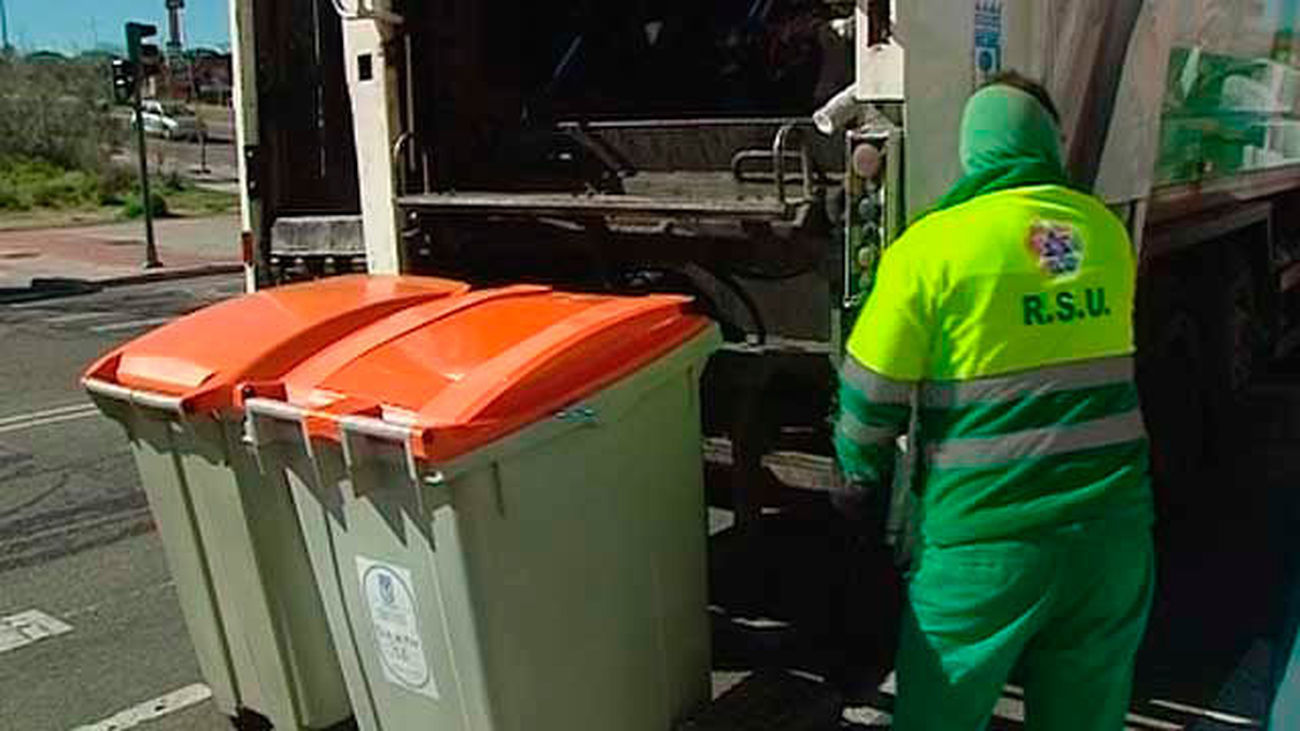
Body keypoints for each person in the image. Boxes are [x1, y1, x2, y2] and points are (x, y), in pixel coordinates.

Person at [833, 71, 1155, 730]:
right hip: (1112, 538)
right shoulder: (1106, 234)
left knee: (938, 715)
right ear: (1047, 143)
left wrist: (857, 473)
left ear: (975, 149)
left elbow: (871, 389)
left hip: (984, 543)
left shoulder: (930, 248)